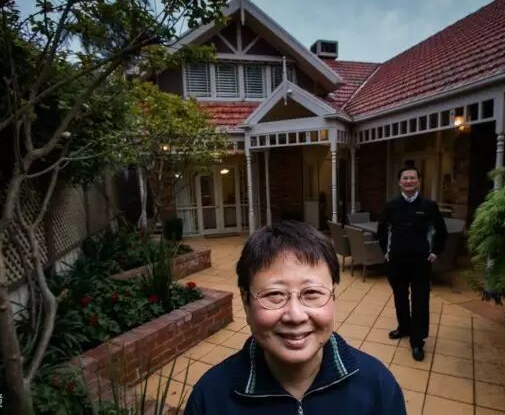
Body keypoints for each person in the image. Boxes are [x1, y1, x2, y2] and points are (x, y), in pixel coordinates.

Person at [185, 221, 406, 414]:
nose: (295, 315)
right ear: (246, 303)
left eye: (312, 293)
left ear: (333, 297)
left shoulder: (378, 387)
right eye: (274, 295)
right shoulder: (210, 399)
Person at [377, 166, 446, 361]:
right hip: (396, 261)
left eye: (412, 178)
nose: (408, 181)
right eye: (405, 178)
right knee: (400, 297)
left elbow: (441, 231)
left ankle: (417, 340)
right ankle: (404, 328)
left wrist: (435, 252)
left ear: (419, 181)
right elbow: (381, 230)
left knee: (420, 301)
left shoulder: (429, 206)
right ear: (399, 182)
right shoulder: (391, 206)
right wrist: (386, 252)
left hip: (421, 262)